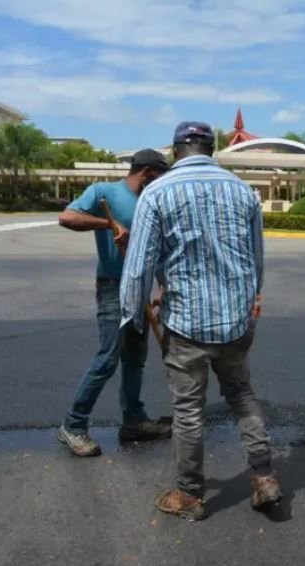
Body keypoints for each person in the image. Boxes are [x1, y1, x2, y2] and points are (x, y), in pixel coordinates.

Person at [120, 121, 279, 521]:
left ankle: (190, 495)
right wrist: (248, 308)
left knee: (188, 410)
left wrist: (132, 318)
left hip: (186, 325)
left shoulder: (156, 192)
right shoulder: (242, 190)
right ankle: (264, 476)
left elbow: (138, 269)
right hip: (235, 323)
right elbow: (256, 261)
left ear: (176, 152)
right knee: (242, 395)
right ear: (213, 150)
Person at [56, 149, 171, 457]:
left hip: (141, 288)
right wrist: (109, 225)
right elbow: (67, 217)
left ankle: (133, 420)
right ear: (148, 173)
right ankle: (73, 425)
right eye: (160, 177)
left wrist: (161, 287)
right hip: (113, 287)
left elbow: (156, 249)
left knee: (135, 359)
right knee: (108, 358)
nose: (161, 183)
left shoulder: (152, 202)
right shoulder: (103, 192)